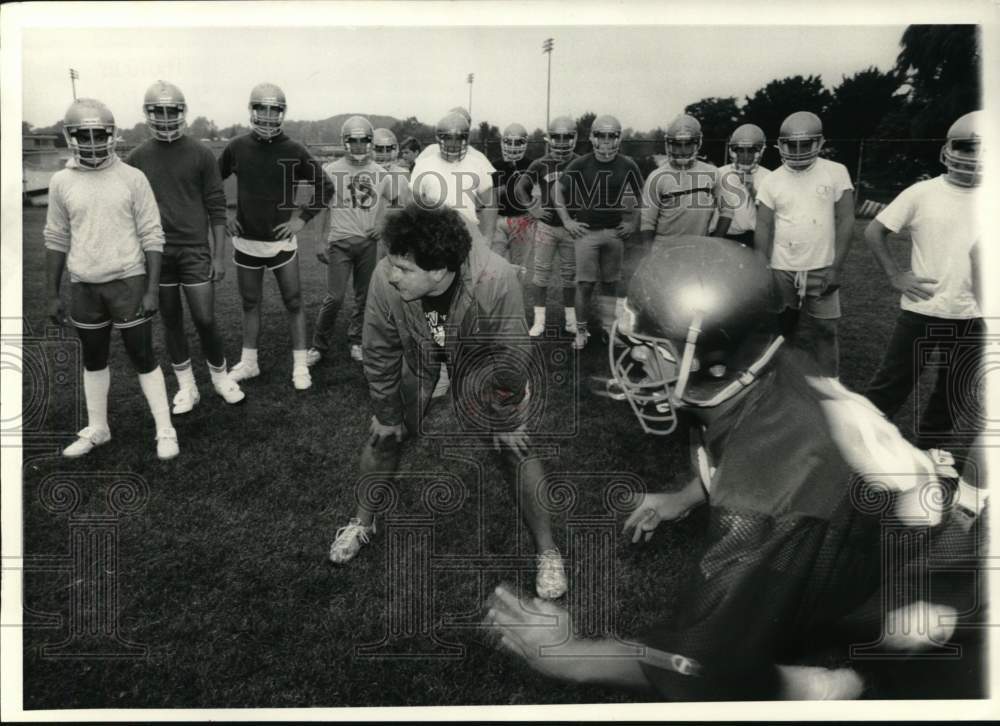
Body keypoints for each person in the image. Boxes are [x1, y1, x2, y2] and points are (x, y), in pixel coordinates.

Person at [486, 236, 985, 700]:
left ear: (716, 361)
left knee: (799, 684)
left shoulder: (764, 493)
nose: (635, 360)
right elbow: (754, 436)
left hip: (939, 605)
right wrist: (686, 496)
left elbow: (702, 662)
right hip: (909, 538)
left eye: (653, 349)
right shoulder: (774, 365)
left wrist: (573, 655)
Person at [327, 203, 567, 601]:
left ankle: (547, 551)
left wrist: (505, 417)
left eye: (405, 269)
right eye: (392, 262)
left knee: (514, 446)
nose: (390, 273)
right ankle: (362, 522)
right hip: (421, 350)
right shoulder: (387, 277)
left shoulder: (495, 277)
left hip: (481, 359)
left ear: (438, 270)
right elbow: (380, 348)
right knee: (384, 435)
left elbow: (510, 353)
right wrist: (387, 414)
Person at [44, 98, 179, 460]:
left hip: (127, 280)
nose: (91, 142)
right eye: (83, 135)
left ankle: (165, 427)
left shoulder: (132, 177)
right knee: (93, 357)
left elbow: (153, 234)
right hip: (84, 283)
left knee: (142, 355)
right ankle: (98, 427)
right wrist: (52, 293)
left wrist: (151, 288)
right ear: (71, 137)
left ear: (111, 134)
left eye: (98, 134)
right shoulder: (61, 181)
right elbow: (56, 237)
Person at [864, 111, 985, 452]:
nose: (973, 157)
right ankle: (860, 447)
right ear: (948, 149)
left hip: (972, 312)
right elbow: (875, 231)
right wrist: (895, 275)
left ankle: (931, 450)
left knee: (953, 390)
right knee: (891, 383)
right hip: (922, 306)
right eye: (966, 147)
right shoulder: (922, 191)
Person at [126, 80, 244, 414]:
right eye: (158, 111)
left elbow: (216, 206)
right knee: (171, 320)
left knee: (205, 318)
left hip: (194, 250)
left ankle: (220, 378)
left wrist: (219, 256)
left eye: (171, 110)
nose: (164, 117)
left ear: (182, 112)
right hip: (157, 252)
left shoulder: (202, 153)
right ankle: (187, 386)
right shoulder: (136, 157)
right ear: (149, 113)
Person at [218, 82, 334, 390]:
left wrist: (301, 220)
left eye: (274, 110)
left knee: (294, 301)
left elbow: (326, 187)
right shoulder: (237, 146)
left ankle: (299, 365)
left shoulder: (294, 150)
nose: (268, 116)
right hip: (246, 242)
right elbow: (210, 184)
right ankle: (250, 362)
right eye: (262, 109)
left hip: (281, 243)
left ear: (282, 113)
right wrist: (224, 216)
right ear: (252, 111)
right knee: (249, 302)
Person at [755, 111, 855, 378]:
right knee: (782, 330)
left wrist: (836, 267)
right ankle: (782, 383)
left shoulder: (836, 171)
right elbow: (763, 225)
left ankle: (829, 387)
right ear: (781, 145)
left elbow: (846, 219)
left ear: (819, 143)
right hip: (782, 266)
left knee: (825, 330)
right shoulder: (771, 179)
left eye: (805, 144)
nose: (798, 151)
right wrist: (762, 265)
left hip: (821, 264)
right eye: (792, 145)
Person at [306, 116, 405, 367]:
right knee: (335, 297)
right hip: (339, 241)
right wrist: (319, 241)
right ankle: (318, 345)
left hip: (367, 243)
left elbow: (396, 202)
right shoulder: (330, 170)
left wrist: (382, 224)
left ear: (369, 142)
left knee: (363, 298)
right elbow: (322, 207)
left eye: (364, 141)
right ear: (345, 142)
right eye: (354, 141)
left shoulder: (380, 173)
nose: (359, 146)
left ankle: (356, 340)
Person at [553, 114, 643, 350]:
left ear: (618, 137)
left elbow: (644, 195)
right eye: (601, 135)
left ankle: (608, 329)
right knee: (584, 284)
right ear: (592, 137)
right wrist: (566, 221)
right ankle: (581, 332)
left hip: (614, 232)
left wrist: (632, 222)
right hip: (586, 233)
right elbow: (556, 191)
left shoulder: (627, 163)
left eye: (611, 135)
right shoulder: (582, 163)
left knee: (611, 284)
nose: (606, 140)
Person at [517, 115, 579, 337]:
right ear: (549, 139)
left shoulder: (581, 162)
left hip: (571, 228)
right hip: (546, 227)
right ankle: (539, 320)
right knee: (540, 276)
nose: (561, 143)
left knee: (570, 276)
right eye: (557, 137)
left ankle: (571, 320)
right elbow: (520, 188)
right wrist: (533, 208)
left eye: (566, 137)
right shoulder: (540, 164)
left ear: (574, 138)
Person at [639, 114, 737, 247]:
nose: (683, 150)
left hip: (698, 249)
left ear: (698, 143)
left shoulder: (712, 173)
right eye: (677, 145)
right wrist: (648, 253)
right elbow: (647, 222)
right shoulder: (656, 177)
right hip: (664, 249)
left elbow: (727, 210)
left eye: (689, 144)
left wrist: (714, 241)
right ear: (668, 145)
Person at [410, 111, 498, 240]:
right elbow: (412, 203)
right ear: (438, 138)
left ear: (466, 139)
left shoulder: (477, 163)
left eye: (459, 138)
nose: (453, 144)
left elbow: (490, 202)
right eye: (448, 138)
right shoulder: (424, 163)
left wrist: (488, 236)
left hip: (468, 232)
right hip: (433, 233)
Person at [489, 123, 536, 279]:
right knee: (494, 266)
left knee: (518, 268)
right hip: (498, 220)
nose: (513, 146)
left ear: (525, 143)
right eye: (509, 142)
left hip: (522, 220)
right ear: (503, 142)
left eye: (518, 142)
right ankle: (497, 302)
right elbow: (487, 196)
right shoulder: (494, 165)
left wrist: (534, 211)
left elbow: (543, 193)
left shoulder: (532, 165)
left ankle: (515, 302)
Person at [713, 123, 770, 247]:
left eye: (750, 151)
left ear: (759, 152)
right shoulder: (719, 173)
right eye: (740, 150)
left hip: (753, 239)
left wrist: (752, 190)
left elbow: (769, 218)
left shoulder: (769, 177)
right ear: (733, 152)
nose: (745, 156)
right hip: (722, 236)